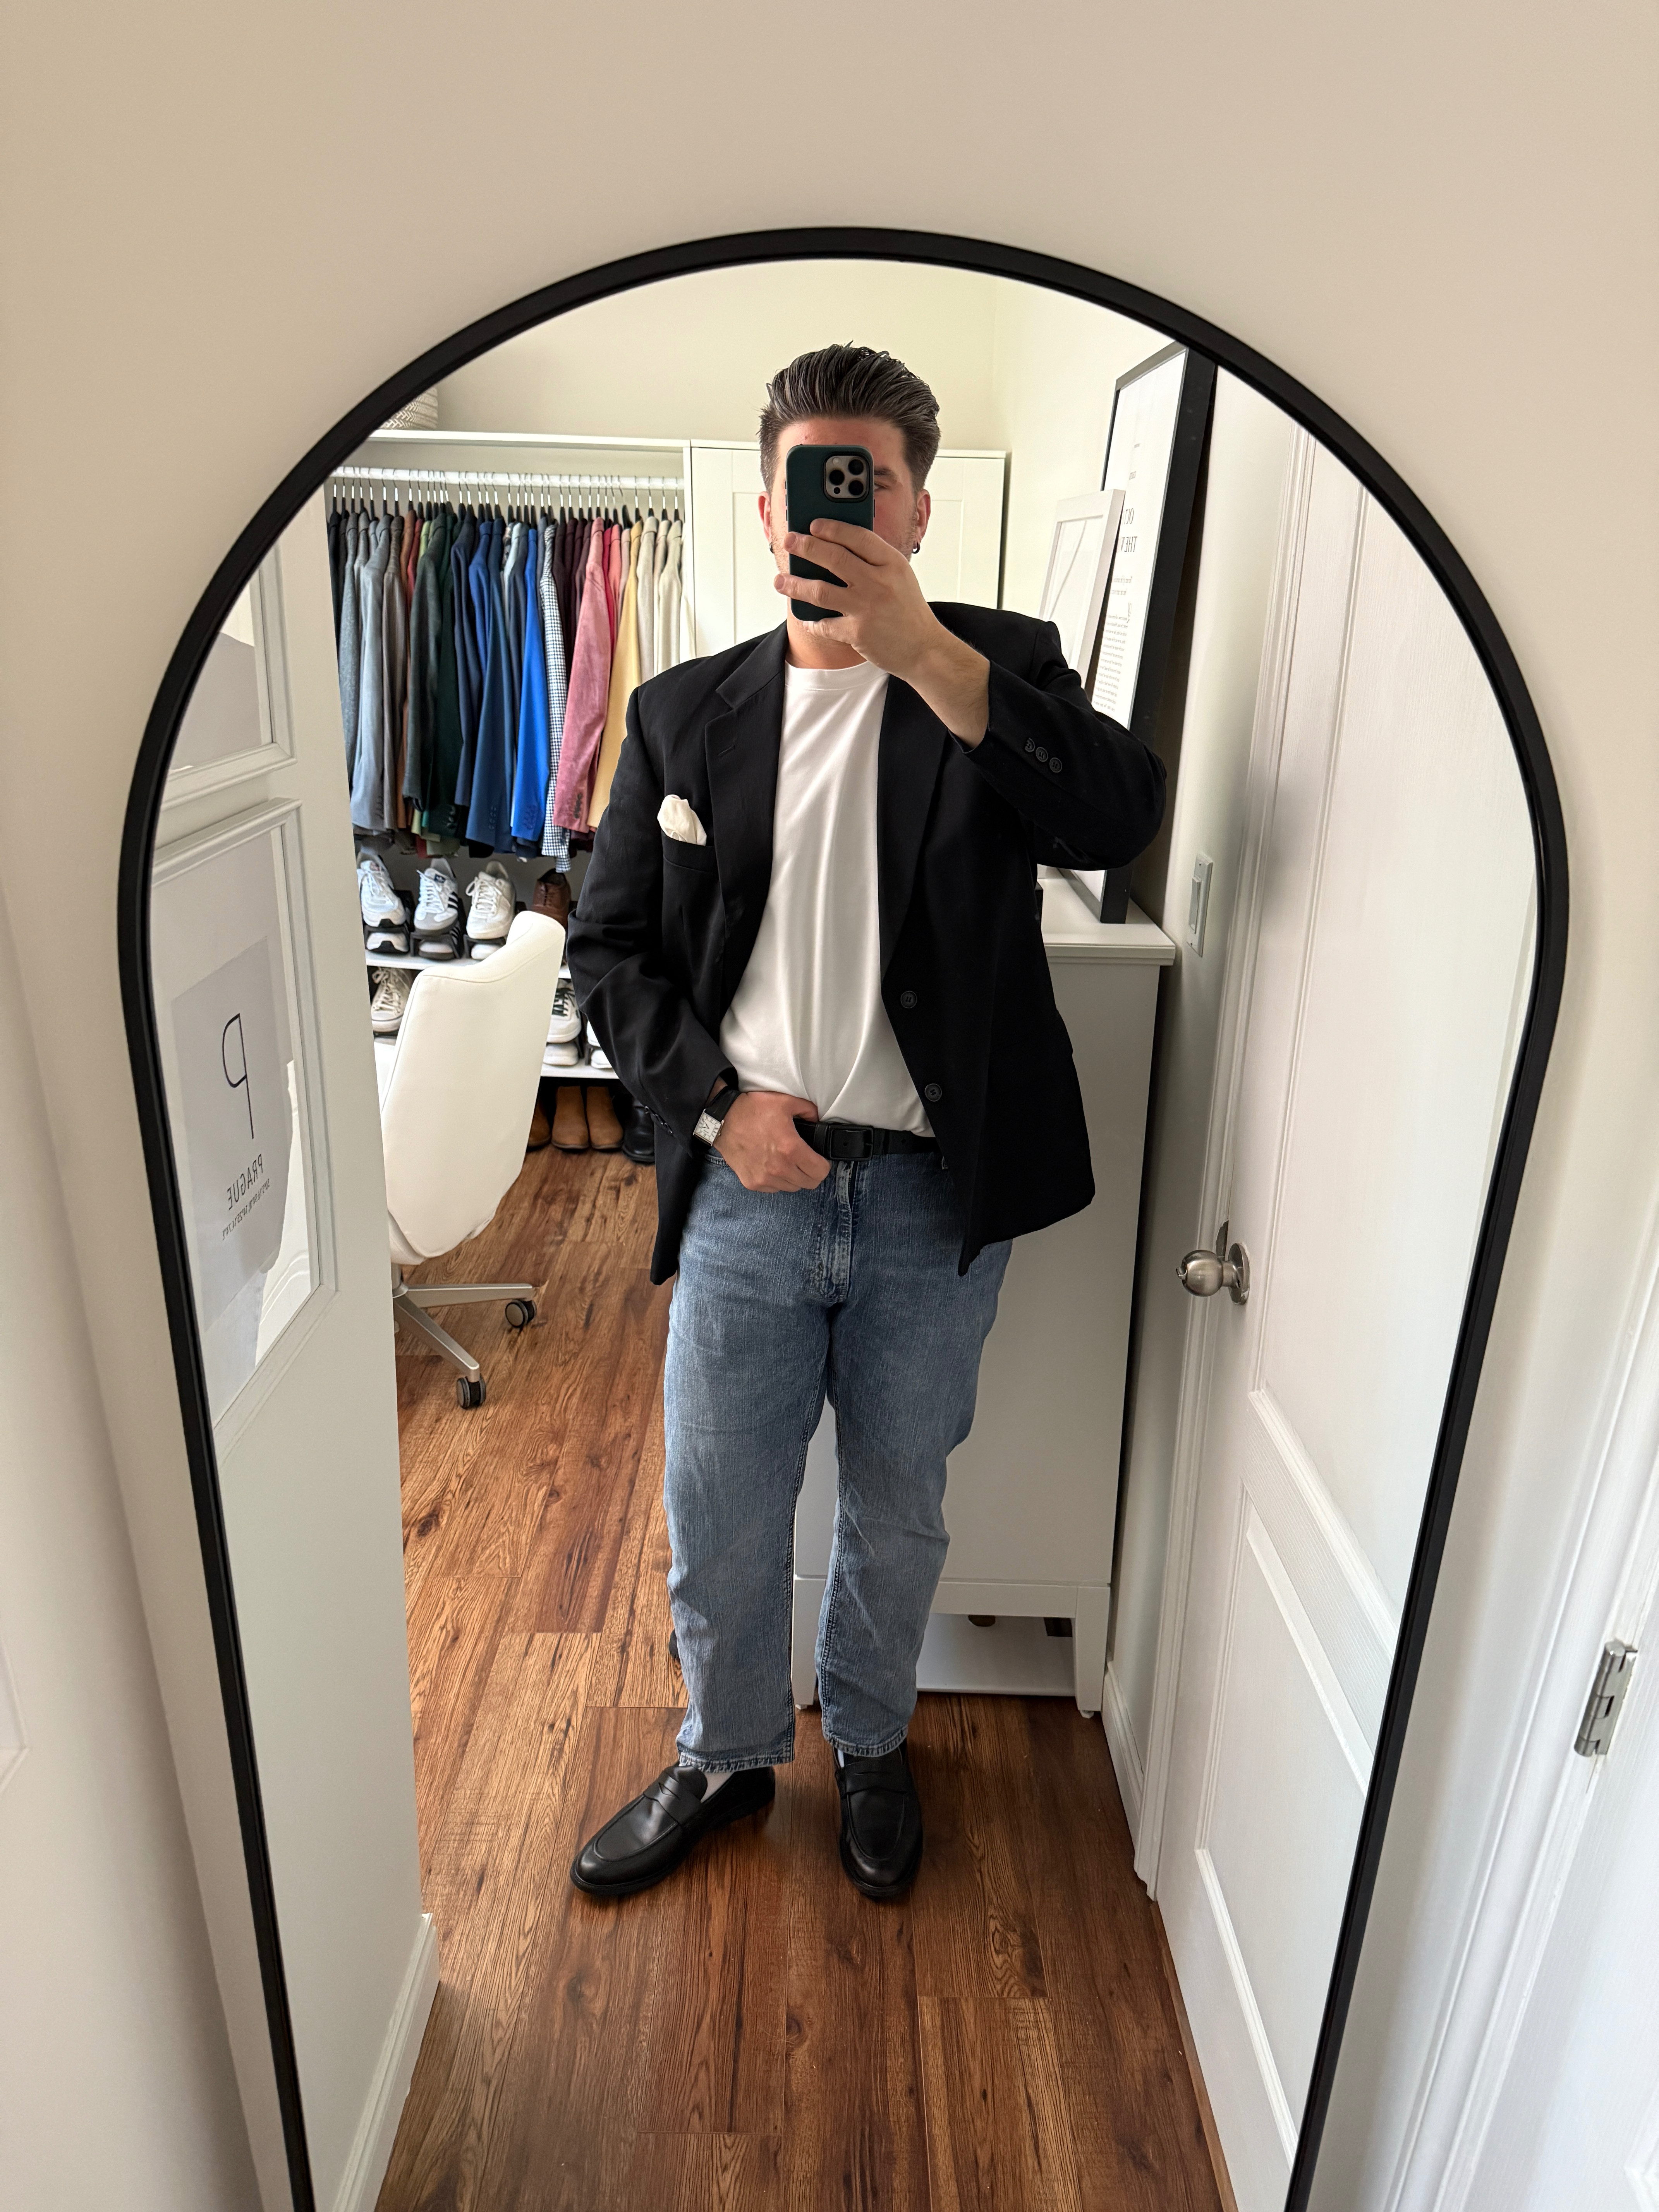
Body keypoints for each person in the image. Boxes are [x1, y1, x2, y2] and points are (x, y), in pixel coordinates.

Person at [565, 344, 1164, 1901]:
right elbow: (607, 950)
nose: (836, 512)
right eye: (810, 486)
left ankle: (875, 1741)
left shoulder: (998, 667)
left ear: (915, 507)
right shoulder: (684, 712)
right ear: (769, 510)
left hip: (929, 1203)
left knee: (899, 1508)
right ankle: (724, 1751)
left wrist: (928, 657)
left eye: (870, 484)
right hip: (747, 1189)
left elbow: (1115, 816)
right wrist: (714, 1109)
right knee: (720, 1505)